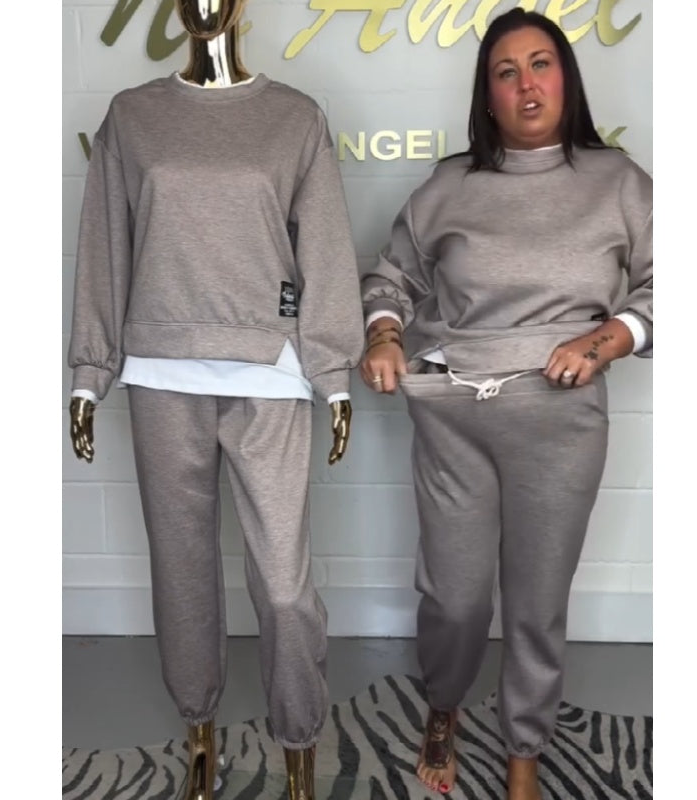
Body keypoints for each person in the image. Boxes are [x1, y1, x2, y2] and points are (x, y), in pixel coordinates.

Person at [67, 1, 364, 798]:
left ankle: (298, 746)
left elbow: (325, 249)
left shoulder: (294, 117)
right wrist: (90, 372)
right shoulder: (134, 118)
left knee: (284, 586)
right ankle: (200, 734)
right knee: (182, 573)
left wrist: (334, 374)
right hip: (162, 374)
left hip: (270, 373)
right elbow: (105, 246)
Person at [358, 8, 651, 799]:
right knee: (454, 598)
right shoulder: (449, 185)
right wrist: (384, 334)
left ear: (567, 80)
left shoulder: (618, 182)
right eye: (506, 71)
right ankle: (444, 704)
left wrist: (603, 340)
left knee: (535, 601)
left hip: (560, 421)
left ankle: (524, 753)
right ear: (486, 94)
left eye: (541, 64)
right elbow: (390, 277)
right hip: (452, 412)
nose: (527, 84)